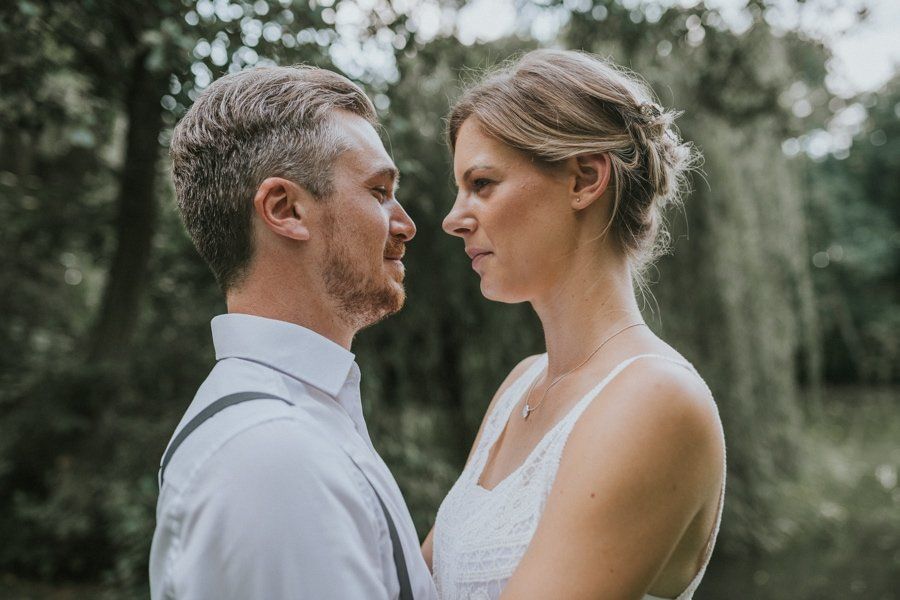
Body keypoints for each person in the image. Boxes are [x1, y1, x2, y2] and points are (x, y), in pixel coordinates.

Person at [424, 49, 726, 600]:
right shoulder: (519, 386)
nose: (452, 217)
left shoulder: (654, 399)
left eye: (483, 183)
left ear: (584, 178)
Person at [149, 65, 437, 600]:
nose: (405, 223)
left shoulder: (299, 418)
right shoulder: (272, 454)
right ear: (285, 210)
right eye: (379, 191)